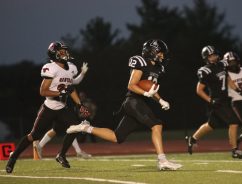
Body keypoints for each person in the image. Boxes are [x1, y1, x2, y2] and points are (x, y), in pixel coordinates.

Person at [66, 39, 183, 170]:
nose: (162, 56)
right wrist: (145, 94)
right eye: (160, 53)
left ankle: (85, 128)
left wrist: (160, 100)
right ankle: (162, 161)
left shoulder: (158, 68)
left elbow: (151, 88)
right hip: (133, 101)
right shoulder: (140, 61)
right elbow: (131, 85)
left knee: (117, 137)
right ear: (151, 51)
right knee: (157, 125)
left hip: (140, 103)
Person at [5, 41, 90, 173]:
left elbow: (72, 89)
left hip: (62, 108)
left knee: (76, 127)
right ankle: (13, 157)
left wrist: (80, 105)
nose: (65, 54)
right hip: (49, 107)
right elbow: (43, 91)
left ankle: (61, 155)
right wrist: (60, 93)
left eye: (65, 51)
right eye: (61, 52)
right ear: (54, 54)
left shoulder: (71, 68)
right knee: (33, 136)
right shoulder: (51, 68)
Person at [186, 45, 242, 159]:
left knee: (211, 125)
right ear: (206, 58)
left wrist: (237, 89)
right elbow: (199, 90)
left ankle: (192, 139)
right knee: (233, 122)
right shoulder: (206, 70)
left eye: (215, 55)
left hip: (224, 99)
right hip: (217, 101)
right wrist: (211, 100)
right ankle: (235, 150)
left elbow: (228, 79)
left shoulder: (223, 64)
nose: (213, 57)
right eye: (210, 56)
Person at [34, 63, 92, 159]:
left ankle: (39, 146)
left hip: (62, 104)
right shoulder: (54, 71)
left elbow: (75, 82)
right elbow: (45, 89)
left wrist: (82, 73)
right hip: (53, 104)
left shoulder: (67, 69)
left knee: (58, 129)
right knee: (71, 127)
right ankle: (78, 152)